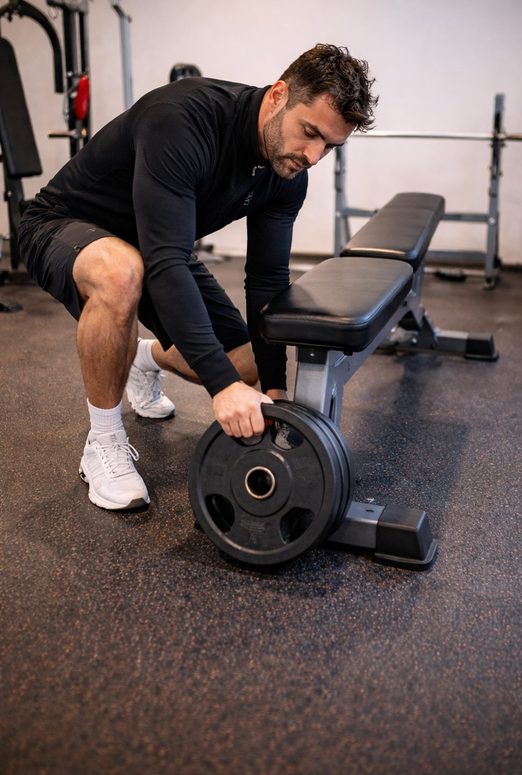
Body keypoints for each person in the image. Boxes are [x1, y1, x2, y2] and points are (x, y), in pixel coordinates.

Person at [18, 43, 377, 512]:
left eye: (329, 146)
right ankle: (102, 443)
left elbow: (267, 278)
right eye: (309, 132)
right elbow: (167, 260)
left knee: (243, 363)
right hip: (62, 224)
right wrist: (221, 389)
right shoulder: (183, 118)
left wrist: (272, 386)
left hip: (151, 244)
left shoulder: (287, 172)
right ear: (278, 95)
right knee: (123, 272)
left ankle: (141, 358)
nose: (312, 155)